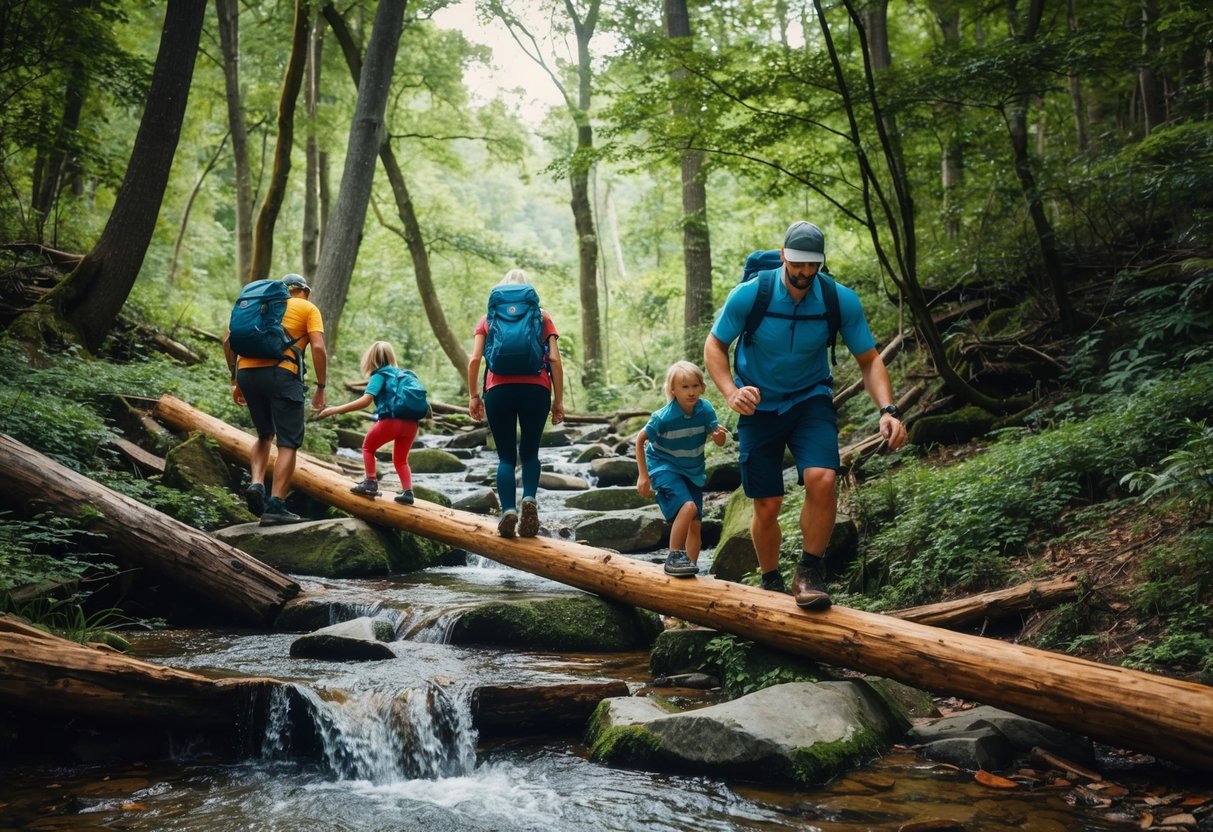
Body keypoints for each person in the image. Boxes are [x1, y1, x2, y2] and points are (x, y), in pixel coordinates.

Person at [704, 221, 907, 610]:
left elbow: (869, 360)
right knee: (766, 504)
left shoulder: (838, 300)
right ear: (783, 256)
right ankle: (770, 580)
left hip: (810, 398)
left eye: (812, 265)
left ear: (820, 263)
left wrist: (888, 410)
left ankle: (810, 571)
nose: (803, 273)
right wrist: (730, 392)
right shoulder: (751, 296)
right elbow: (715, 344)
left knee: (823, 478)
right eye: (797, 264)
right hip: (758, 403)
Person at [223, 273, 327, 526]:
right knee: (288, 443)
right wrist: (321, 386)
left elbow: (228, 341)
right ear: (303, 290)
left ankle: (257, 483)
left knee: (263, 435)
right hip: (282, 374)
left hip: (247, 373)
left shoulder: (261, 304)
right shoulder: (308, 307)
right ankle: (276, 505)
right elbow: (318, 348)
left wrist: (235, 378)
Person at [467, 269, 565, 538]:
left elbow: (475, 359)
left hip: (499, 391)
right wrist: (559, 400)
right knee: (531, 453)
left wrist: (474, 395)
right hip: (536, 389)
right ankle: (529, 499)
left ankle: (508, 510)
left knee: (506, 457)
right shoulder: (541, 316)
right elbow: (555, 360)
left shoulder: (488, 318)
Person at [636, 360, 729, 577]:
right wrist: (643, 476)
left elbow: (720, 441)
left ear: (702, 387)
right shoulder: (663, 417)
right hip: (663, 465)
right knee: (688, 508)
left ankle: (688, 570)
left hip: (692, 470)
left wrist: (719, 436)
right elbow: (640, 440)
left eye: (695, 386)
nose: (691, 392)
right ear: (673, 390)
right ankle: (674, 556)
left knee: (695, 524)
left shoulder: (705, 410)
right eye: (685, 387)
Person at [314, 341, 419, 505]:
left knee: (368, 448)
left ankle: (370, 482)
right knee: (400, 460)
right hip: (411, 424)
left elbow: (365, 401)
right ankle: (408, 492)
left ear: (370, 358)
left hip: (391, 421)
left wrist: (335, 409)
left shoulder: (379, 375)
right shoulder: (403, 375)